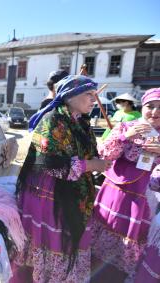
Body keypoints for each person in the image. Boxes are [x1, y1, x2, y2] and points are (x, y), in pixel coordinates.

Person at [16, 75, 112, 282]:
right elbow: (49, 164)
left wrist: (97, 159)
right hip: (50, 197)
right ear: (70, 96)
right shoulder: (53, 120)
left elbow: (85, 151)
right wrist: (91, 165)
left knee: (67, 247)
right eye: (88, 94)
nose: (94, 99)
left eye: (94, 94)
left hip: (73, 192)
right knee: (53, 245)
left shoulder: (80, 122)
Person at [92, 87, 160, 279]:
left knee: (131, 245)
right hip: (116, 193)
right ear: (142, 106)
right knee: (101, 245)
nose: (155, 112)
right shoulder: (124, 127)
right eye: (150, 106)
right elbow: (104, 154)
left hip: (146, 199)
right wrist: (125, 136)